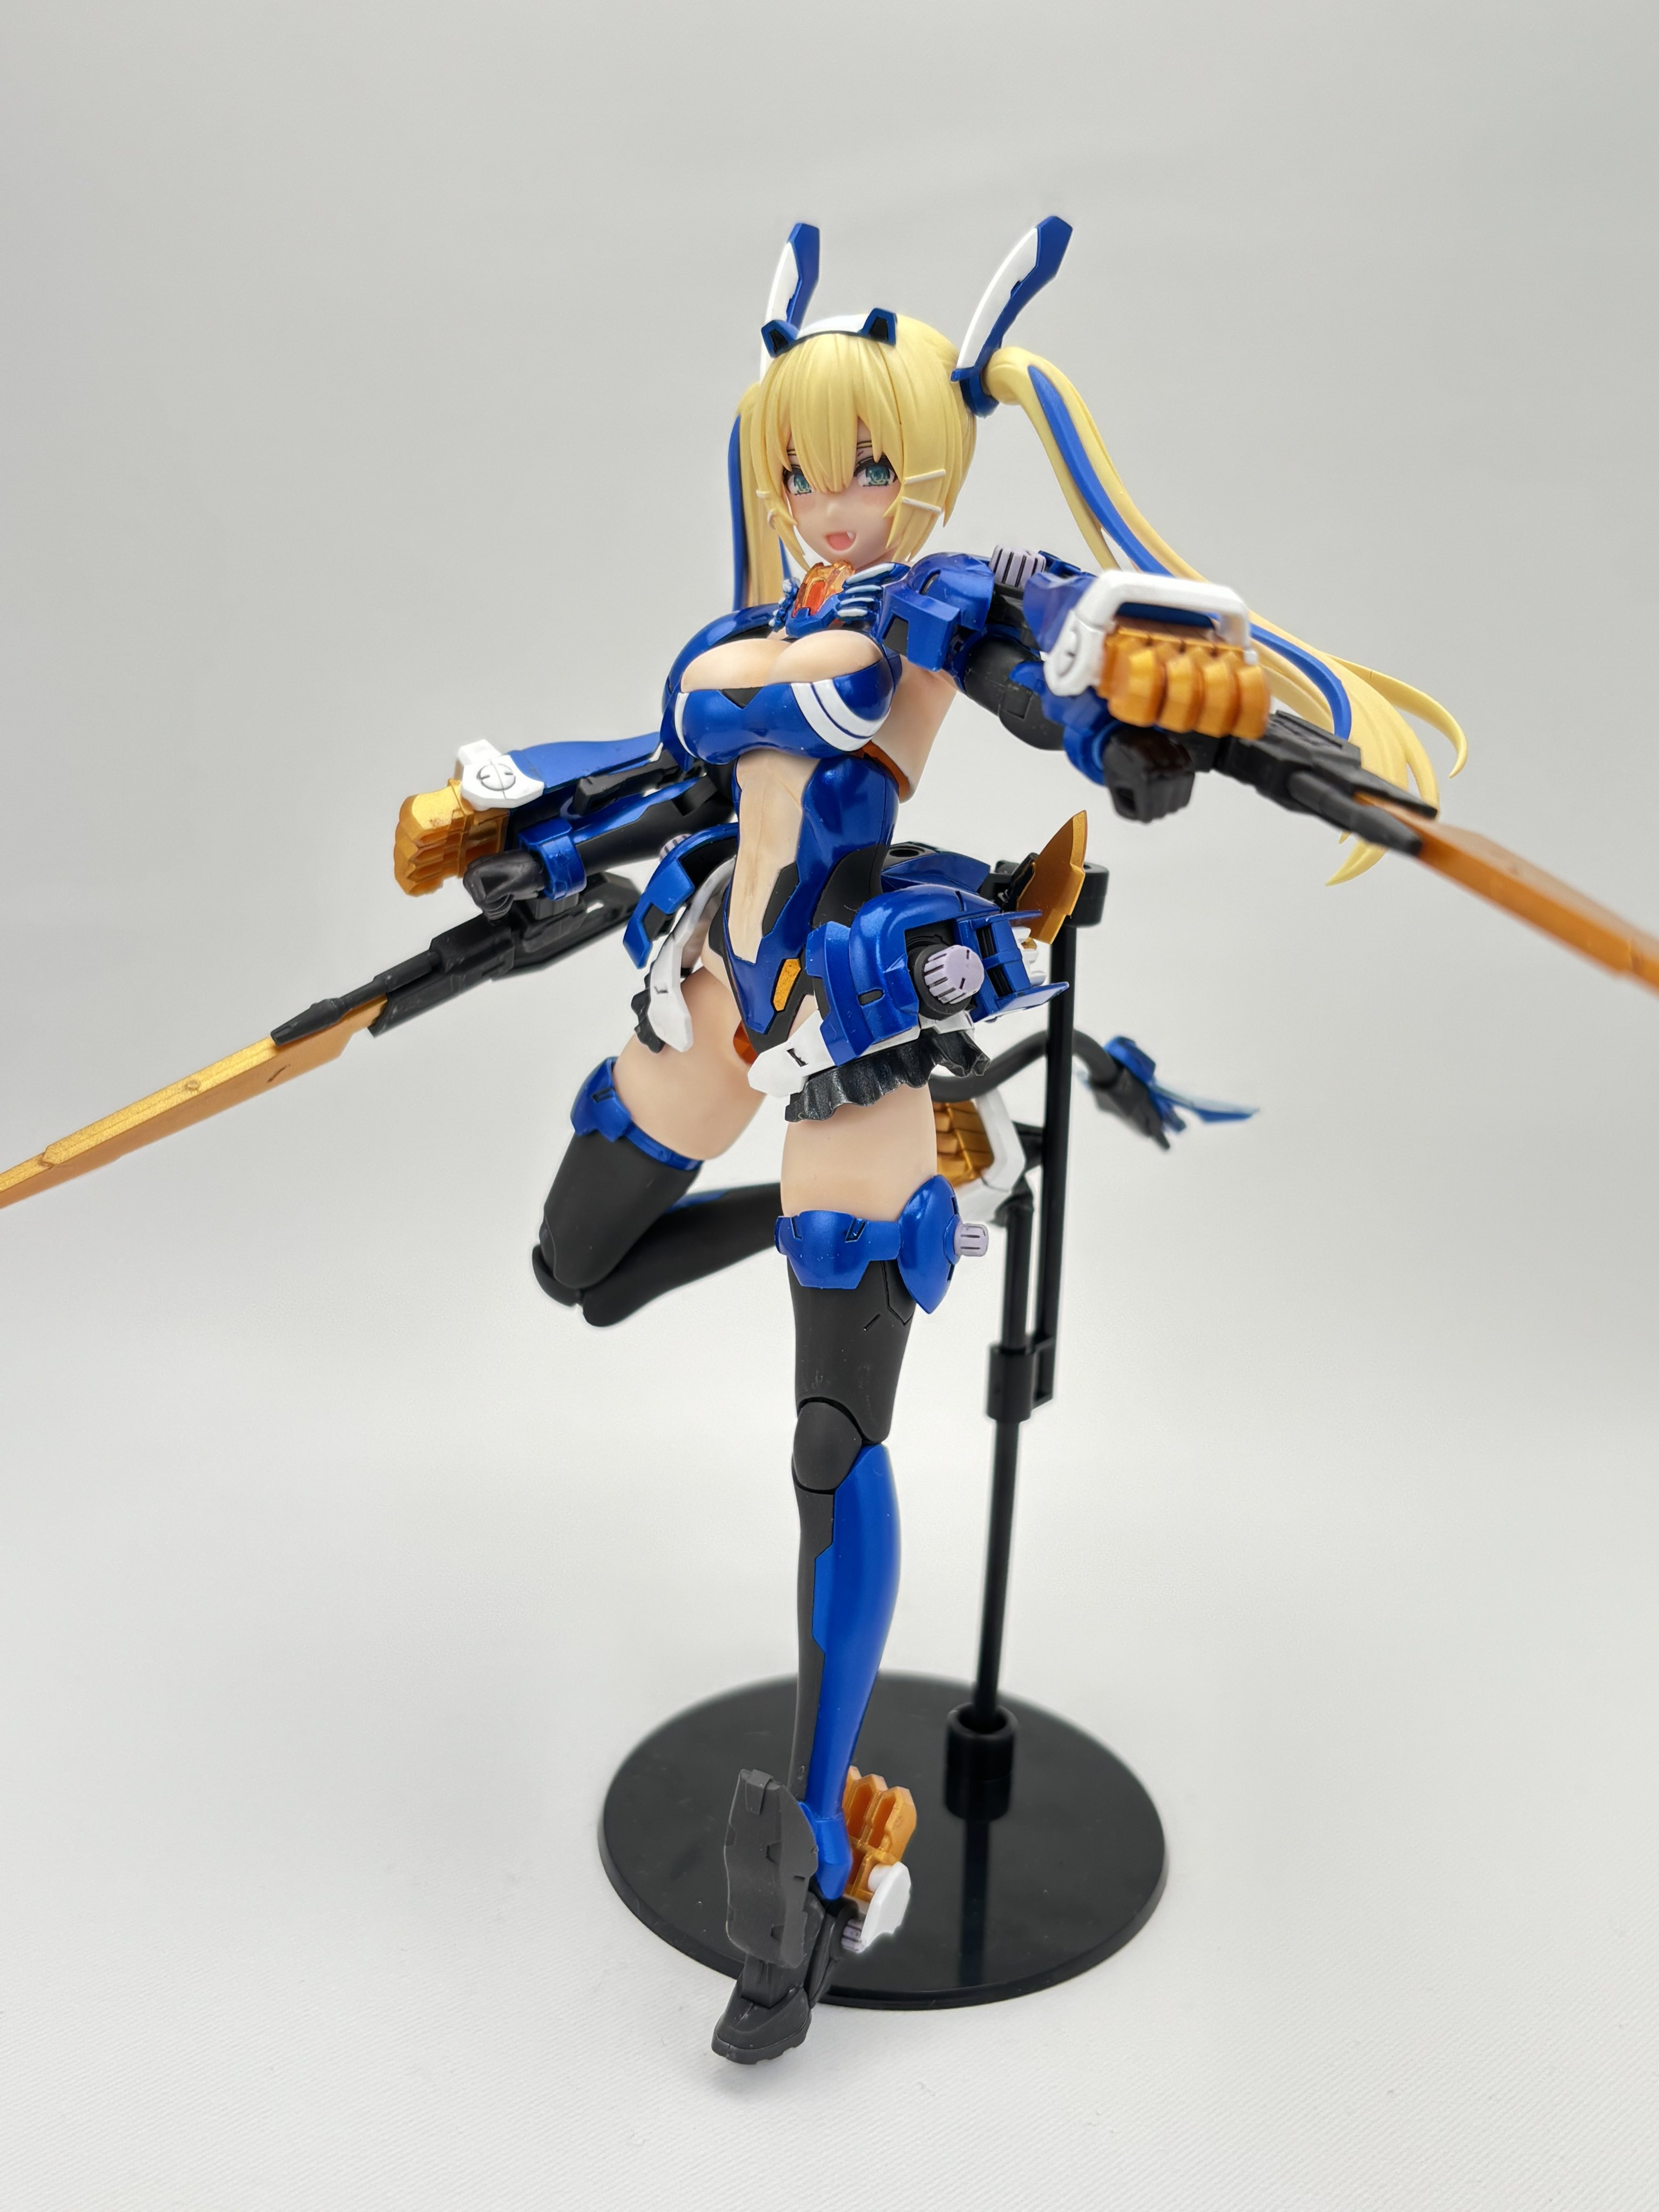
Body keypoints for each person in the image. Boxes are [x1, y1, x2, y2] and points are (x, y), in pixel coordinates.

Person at [446, 219, 1463, 2062]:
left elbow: (1057, 677)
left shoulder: (942, 605)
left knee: (831, 1447)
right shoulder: (745, 630)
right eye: (801, 470)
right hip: (714, 980)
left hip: (853, 1019)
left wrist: (1144, 725)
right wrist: (519, 829)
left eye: (864, 468)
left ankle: (820, 1850)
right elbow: (667, 767)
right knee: (575, 1266)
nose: (829, 504)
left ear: (922, 469)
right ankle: (871, 1218)